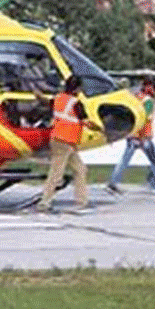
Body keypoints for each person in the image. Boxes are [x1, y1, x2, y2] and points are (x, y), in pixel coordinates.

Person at [37, 75, 102, 213]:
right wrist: (99, 128)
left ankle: (82, 201)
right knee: (56, 173)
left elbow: (48, 102)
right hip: (66, 141)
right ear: (77, 88)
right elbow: (86, 122)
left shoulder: (59, 98)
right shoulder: (76, 103)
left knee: (80, 170)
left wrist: (39, 96)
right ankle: (44, 202)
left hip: (59, 140)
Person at [107, 77, 155, 194]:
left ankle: (113, 182)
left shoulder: (135, 97)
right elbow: (145, 119)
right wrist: (142, 137)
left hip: (132, 134)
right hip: (143, 136)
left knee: (124, 161)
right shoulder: (148, 101)